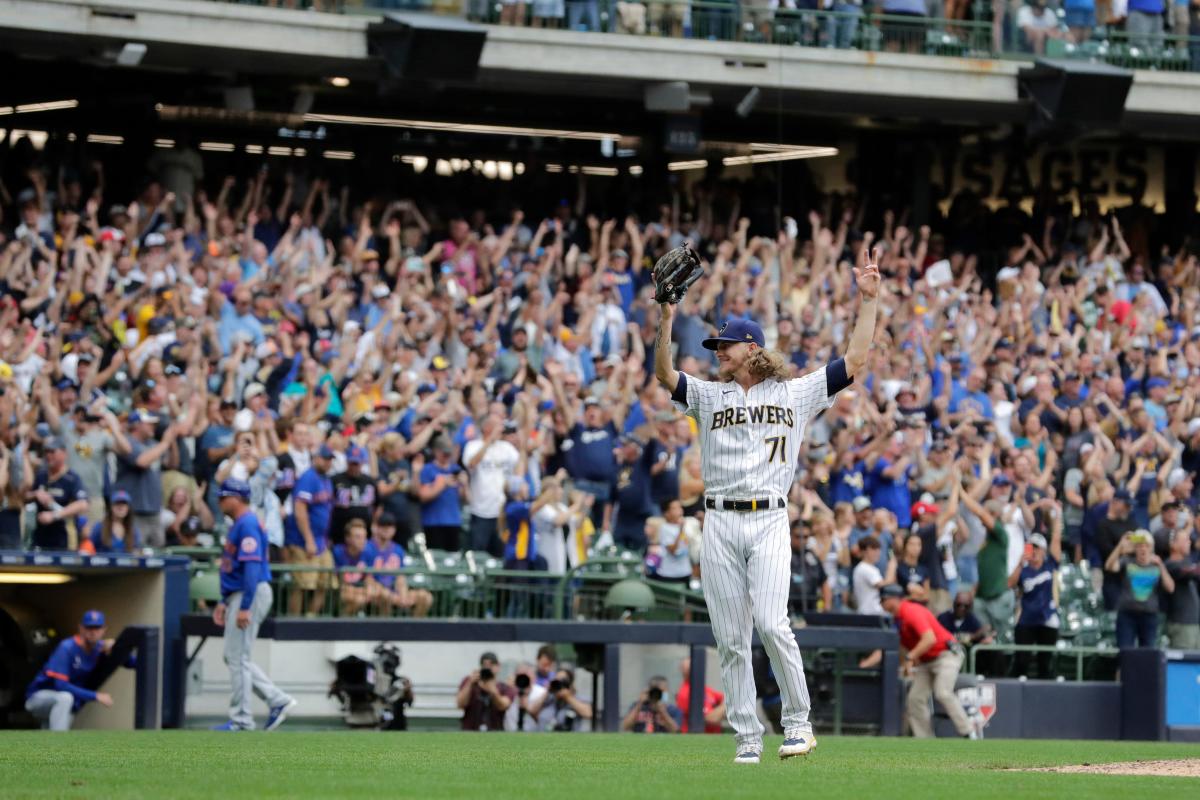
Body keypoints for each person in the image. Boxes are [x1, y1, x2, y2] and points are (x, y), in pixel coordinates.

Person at [653, 242, 880, 764]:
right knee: (730, 639)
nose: (719, 353)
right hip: (719, 523)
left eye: (727, 346)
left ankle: (798, 725)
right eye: (717, 347)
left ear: (753, 348)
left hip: (769, 519)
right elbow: (665, 375)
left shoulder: (795, 393)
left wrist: (867, 302)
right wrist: (666, 319)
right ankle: (747, 737)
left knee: (773, 624)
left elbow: (857, 360)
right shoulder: (711, 396)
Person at [212, 478, 296, 731]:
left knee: (237, 657)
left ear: (236, 498)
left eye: (223, 496)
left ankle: (242, 719)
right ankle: (277, 700)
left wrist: (245, 605)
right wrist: (224, 601)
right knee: (237, 656)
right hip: (241, 593)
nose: (220, 501)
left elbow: (252, 567)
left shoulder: (247, 523)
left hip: (250, 591)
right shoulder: (243, 522)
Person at [879, 584, 974, 739]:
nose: (881, 603)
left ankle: (969, 732)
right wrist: (906, 663)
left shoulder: (910, 611)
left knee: (942, 692)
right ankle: (925, 739)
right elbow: (904, 646)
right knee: (915, 699)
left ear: (894, 599)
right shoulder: (897, 619)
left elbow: (929, 639)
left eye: (883, 599)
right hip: (926, 660)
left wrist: (910, 658)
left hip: (946, 654)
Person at [24, 610, 135, 730]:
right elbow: (61, 685)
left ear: (104, 629)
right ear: (81, 628)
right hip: (38, 699)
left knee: (52, 730)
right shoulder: (67, 647)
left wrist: (118, 649)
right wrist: (95, 696)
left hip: (67, 704)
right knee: (66, 698)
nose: (93, 632)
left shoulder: (101, 648)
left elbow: (131, 663)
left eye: (97, 628)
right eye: (89, 627)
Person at [283, 444, 335, 616]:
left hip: (321, 540)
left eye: (330, 459)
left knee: (326, 583)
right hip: (302, 540)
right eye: (325, 458)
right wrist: (309, 539)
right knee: (302, 585)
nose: (328, 462)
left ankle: (310, 617)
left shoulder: (326, 479)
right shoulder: (308, 477)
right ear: (316, 458)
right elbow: (300, 510)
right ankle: (294, 621)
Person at [1106, 529, 1175, 648]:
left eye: (1146, 546)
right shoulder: (1127, 562)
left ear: (1151, 548)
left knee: (1148, 652)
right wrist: (1120, 546)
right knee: (1125, 651)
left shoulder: (1156, 565)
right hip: (1127, 614)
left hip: (1149, 615)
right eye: (1139, 546)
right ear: (1135, 549)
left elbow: (1170, 588)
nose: (1143, 549)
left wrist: (1161, 566)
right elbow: (1109, 566)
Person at [463, 416, 521, 556]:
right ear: (486, 428)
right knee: (478, 554)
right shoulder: (473, 445)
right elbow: (471, 463)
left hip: (502, 511)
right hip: (480, 510)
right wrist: (489, 440)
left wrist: (516, 484)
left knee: (502, 555)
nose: (501, 429)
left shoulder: (506, 448)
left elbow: (519, 465)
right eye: (497, 425)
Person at [1013, 523, 1062, 679]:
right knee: (1022, 659)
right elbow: (1009, 584)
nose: (1034, 551)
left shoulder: (1050, 565)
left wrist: (1057, 515)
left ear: (1043, 551)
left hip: (1046, 616)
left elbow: (1056, 540)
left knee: (1046, 660)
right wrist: (1020, 563)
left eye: (1037, 548)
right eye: (1031, 547)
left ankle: (1047, 687)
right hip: (1027, 616)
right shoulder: (1024, 570)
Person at [30, 437, 89, 550]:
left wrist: (54, 515)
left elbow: (83, 503)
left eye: (52, 452)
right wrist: (35, 494)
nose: (48, 455)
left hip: (64, 538)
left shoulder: (72, 478)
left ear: (64, 454)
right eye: (46, 452)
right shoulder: (41, 475)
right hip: (40, 537)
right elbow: (25, 497)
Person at [369, 514, 433, 617]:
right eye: (383, 526)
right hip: (376, 592)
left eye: (390, 526)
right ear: (376, 528)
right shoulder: (368, 547)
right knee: (385, 596)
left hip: (394, 591)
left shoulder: (398, 549)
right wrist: (389, 594)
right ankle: (385, 629)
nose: (386, 529)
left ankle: (413, 628)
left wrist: (402, 596)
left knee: (425, 597)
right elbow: (368, 578)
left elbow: (400, 576)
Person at [456, 651, 515, 732]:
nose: (488, 669)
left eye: (491, 665)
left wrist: (493, 691)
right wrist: (470, 683)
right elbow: (460, 704)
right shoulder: (470, 683)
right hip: (470, 731)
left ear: (498, 667)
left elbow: (503, 706)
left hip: (495, 731)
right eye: (485, 666)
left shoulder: (504, 688)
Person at [1164, 528, 1200, 650]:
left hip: (1193, 623)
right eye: (1185, 540)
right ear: (1173, 544)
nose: (1189, 542)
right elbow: (1193, 572)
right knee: (1185, 666)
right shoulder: (1170, 565)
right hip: (1181, 623)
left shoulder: (1188, 564)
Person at [528, 667, 593, 731]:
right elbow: (532, 711)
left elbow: (588, 713)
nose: (559, 684)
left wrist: (568, 697)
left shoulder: (577, 699)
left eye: (563, 681)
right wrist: (547, 691)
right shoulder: (549, 698)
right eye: (557, 681)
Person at [675, 657, 727, 735]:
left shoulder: (703, 688)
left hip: (714, 738)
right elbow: (711, 719)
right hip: (696, 739)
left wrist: (723, 706)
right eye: (687, 666)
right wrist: (727, 704)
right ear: (682, 670)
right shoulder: (684, 693)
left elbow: (724, 697)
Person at [80, 490, 141, 554]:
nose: (120, 507)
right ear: (111, 507)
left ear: (128, 508)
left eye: (124, 504)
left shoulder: (133, 530)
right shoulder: (100, 527)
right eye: (117, 503)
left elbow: (136, 552)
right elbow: (88, 547)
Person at [851, 536, 895, 615]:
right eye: (873, 549)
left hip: (873, 611)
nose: (877, 553)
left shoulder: (870, 568)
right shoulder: (864, 568)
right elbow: (882, 584)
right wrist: (892, 566)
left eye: (878, 549)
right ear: (864, 551)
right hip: (869, 612)